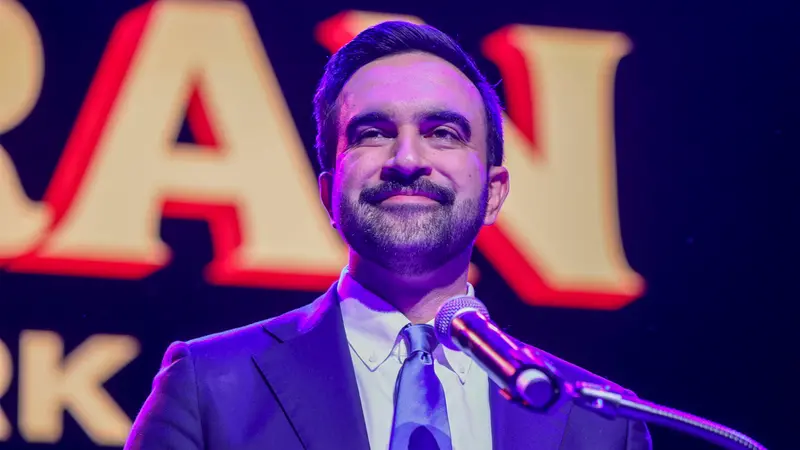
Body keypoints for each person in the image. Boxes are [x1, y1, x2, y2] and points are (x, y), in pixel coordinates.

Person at [124, 21, 652, 450]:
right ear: (328, 191)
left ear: (494, 192)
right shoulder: (211, 386)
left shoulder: (596, 423)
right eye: (372, 133)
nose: (406, 160)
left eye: (442, 133)